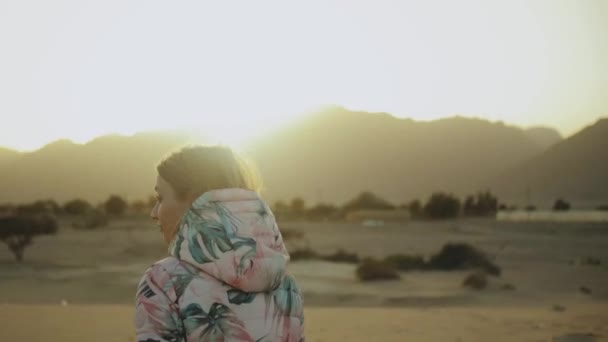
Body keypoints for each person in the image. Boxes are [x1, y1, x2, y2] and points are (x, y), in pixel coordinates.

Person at [134, 145, 305, 342]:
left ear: (192, 200)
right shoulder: (285, 283)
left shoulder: (164, 281)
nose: (154, 213)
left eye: (160, 198)